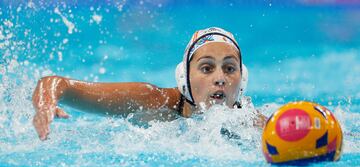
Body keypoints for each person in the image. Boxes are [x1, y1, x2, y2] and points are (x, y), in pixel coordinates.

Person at [32, 27, 267, 140]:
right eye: (206, 68)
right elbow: (54, 83)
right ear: (185, 78)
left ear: (242, 79)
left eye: (229, 68)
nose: (220, 78)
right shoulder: (152, 101)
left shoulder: (246, 118)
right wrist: (44, 105)